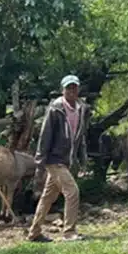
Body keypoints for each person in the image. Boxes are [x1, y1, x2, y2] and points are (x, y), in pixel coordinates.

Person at [28, 74, 89, 243]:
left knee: (48, 197)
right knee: (72, 192)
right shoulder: (55, 109)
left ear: (78, 89)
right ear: (62, 90)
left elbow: (80, 136)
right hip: (54, 160)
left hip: (66, 160)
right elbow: (45, 136)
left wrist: (82, 160)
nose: (72, 91)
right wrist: (40, 162)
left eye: (74, 87)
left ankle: (34, 232)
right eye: (68, 88)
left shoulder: (81, 108)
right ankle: (69, 232)